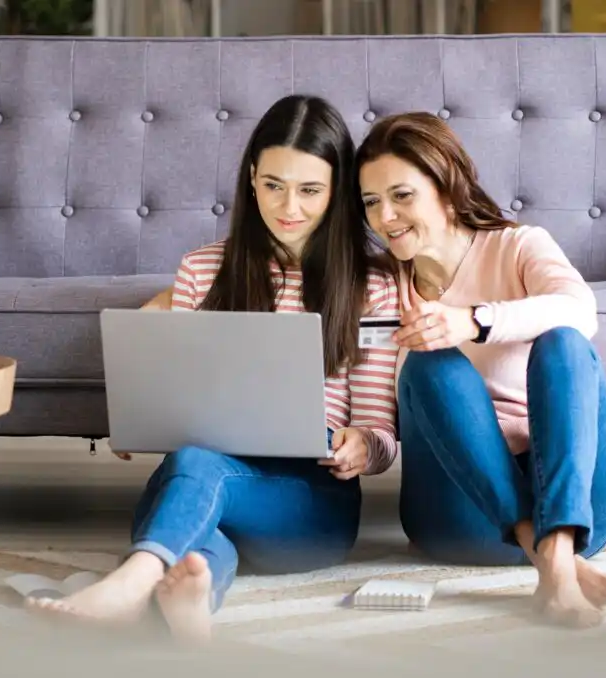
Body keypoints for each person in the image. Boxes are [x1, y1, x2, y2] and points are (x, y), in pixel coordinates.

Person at [28, 94, 401, 642]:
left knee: (196, 466)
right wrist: (142, 415)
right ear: (252, 178)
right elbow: (182, 394)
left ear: (337, 192)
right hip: (208, 480)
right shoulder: (201, 269)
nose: (288, 207)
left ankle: (133, 579)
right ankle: (191, 606)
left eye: (309, 190)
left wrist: (363, 446)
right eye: (273, 184)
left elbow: (382, 434)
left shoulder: (373, 284)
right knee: (199, 523)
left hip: (311, 506)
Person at [355, 112, 606, 629]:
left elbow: (581, 309)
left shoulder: (519, 245)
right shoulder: (376, 287)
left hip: (581, 502)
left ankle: (555, 552)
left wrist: (475, 321)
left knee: (564, 342)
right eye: (372, 202)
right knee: (429, 365)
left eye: (402, 196)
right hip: (461, 512)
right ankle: (553, 562)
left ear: (446, 189)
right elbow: (381, 419)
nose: (384, 217)